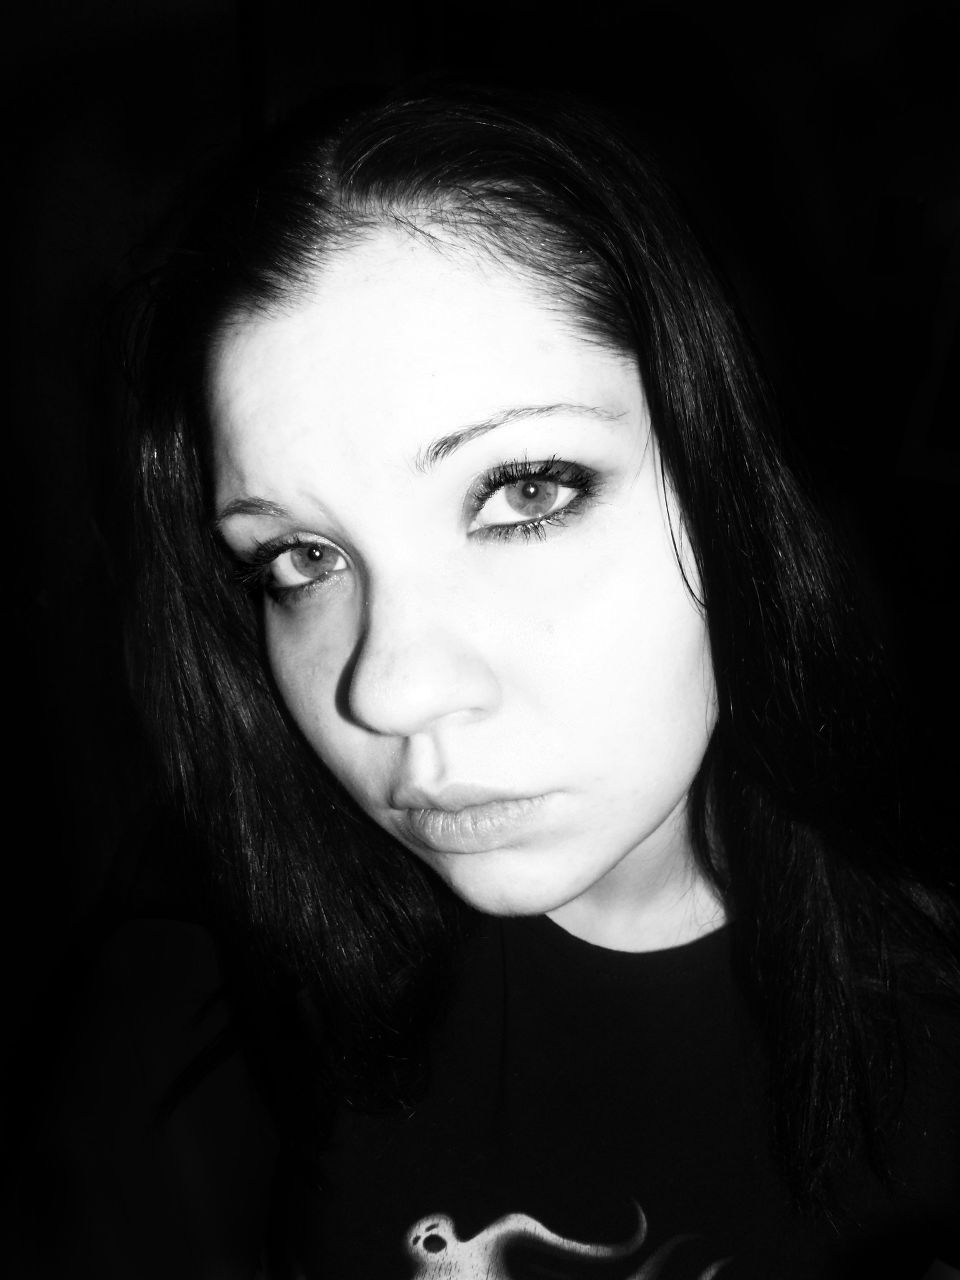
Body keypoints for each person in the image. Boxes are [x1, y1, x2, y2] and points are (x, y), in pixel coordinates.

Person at [102, 86, 959, 1277]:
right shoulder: (262, 1033)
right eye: (301, 558)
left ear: (735, 474)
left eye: (526, 491)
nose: (388, 689)